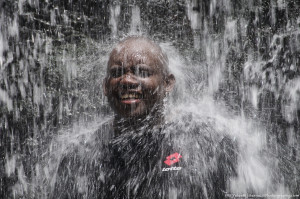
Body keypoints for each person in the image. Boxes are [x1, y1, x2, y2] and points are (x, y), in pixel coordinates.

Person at [52, 36, 237, 199]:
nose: (127, 81)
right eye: (117, 73)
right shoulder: (81, 154)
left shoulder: (208, 141)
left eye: (142, 72)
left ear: (167, 83)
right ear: (105, 86)